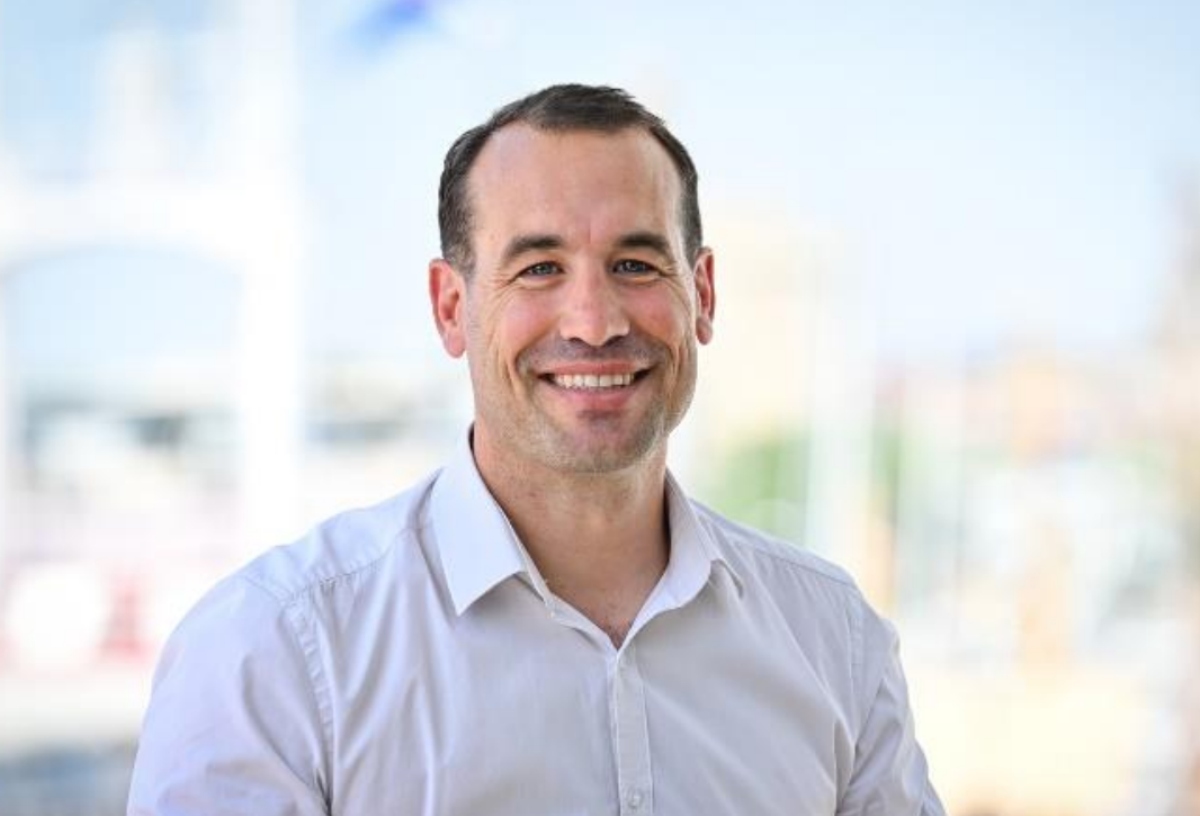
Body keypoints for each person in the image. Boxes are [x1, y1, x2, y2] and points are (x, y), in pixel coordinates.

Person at [128, 83, 945, 815]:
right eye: (540, 268)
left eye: (635, 264)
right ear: (451, 307)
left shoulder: (835, 641)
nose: (594, 321)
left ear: (702, 295)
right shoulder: (273, 652)